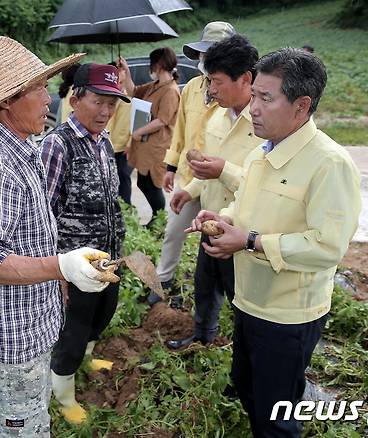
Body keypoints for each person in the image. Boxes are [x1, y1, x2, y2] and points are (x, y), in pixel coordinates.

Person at [187, 48, 361, 436]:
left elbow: (328, 246)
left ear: (301, 106)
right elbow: (242, 201)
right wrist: (223, 219)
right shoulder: (261, 152)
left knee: (277, 417)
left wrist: (248, 241)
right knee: (249, 389)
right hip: (250, 302)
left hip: (287, 317)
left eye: (266, 98)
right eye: (254, 97)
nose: (254, 109)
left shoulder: (329, 164)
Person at [0, 37, 117, 437]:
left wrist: (55, 276)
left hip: (30, 319)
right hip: (13, 335)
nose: (49, 99)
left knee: (30, 414)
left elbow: (30, 234)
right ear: (9, 100)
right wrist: (60, 264)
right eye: (40, 88)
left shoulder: (20, 147)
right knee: (19, 426)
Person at [40, 63, 130, 425]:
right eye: (98, 102)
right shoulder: (57, 145)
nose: (106, 112)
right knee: (72, 333)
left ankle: (88, 359)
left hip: (106, 262)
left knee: (102, 315)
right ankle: (63, 395)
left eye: (112, 104)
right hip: (74, 268)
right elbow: (42, 216)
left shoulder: (103, 141)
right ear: (75, 100)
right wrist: (55, 269)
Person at [166, 34, 262, 349]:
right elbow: (209, 168)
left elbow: (264, 184)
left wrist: (224, 170)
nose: (211, 90)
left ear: (246, 79)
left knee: (242, 297)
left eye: (217, 82)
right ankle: (202, 338)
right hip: (211, 219)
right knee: (206, 285)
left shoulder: (265, 123)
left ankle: (245, 356)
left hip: (243, 228)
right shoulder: (217, 118)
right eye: (209, 81)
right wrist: (191, 189)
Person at [149, 21, 236, 305]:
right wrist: (171, 167)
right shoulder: (192, 89)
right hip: (189, 178)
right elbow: (181, 132)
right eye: (205, 54)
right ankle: (163, 280)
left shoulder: (238, 95)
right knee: (173, 231)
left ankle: (220, 300)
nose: (207, 61)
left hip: (223, 185)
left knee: (216, 242)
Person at [119, 47, 181, 222]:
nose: (150, 68)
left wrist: (139, 131)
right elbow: (133, 92)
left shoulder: (171, 90)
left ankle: (159, 221)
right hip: (145, 146)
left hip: (157, 147)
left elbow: (163, 120)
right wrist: (127, 73)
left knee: (152, 184)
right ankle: (157, 220)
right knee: (142, 182)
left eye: (152, 64)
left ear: (159, 65)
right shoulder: (155, 86)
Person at [106, 61, 133, 203]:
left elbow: (140, 122)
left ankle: (126, 210)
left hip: (124, 147)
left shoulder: (131, 97)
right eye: (117, 81)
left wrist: (131, 142)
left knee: (123, 177)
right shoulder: (106, 98)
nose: (119, 85)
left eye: (122, 81)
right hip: (108, 144)